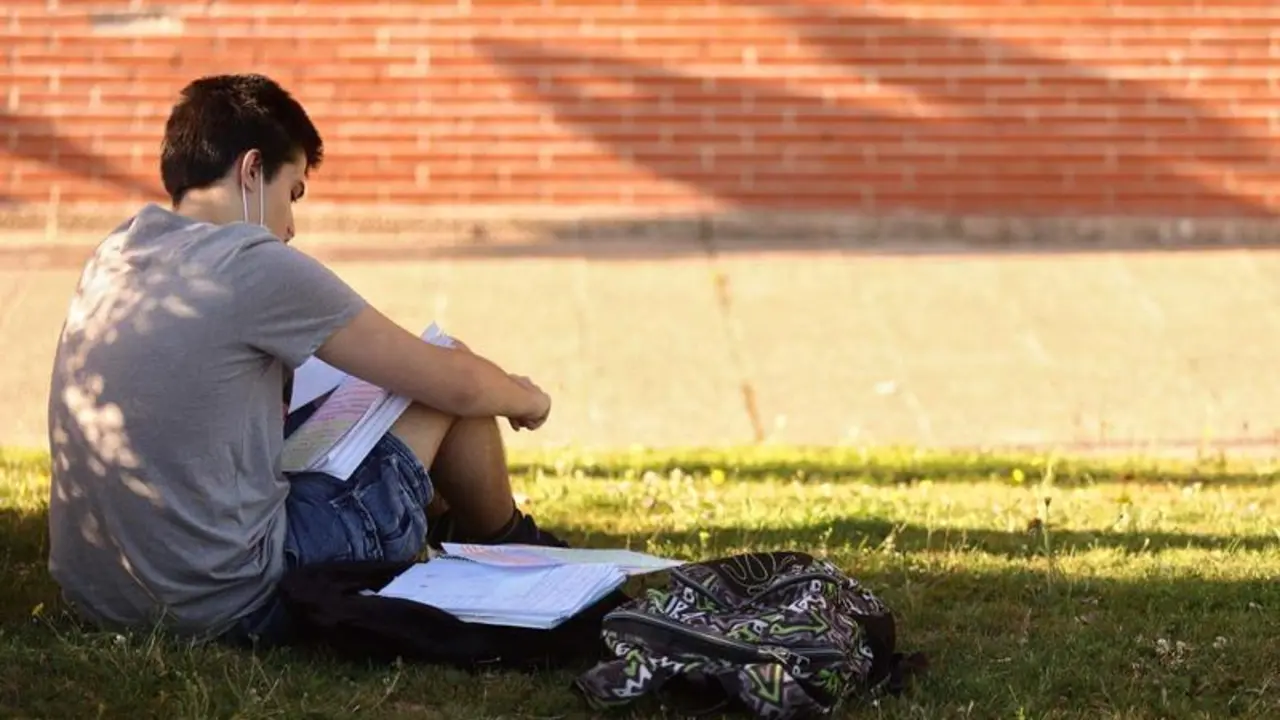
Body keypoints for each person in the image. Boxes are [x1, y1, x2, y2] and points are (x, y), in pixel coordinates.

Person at [45, 73, 567, 650]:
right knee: (451, 373)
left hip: (100, 597)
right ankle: (519, 551)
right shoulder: (252, 264)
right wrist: (529, 398)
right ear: (250, 171)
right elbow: (458, 386)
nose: (290, 228)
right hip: (230, 601)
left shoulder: (115, 253)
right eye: (291, 193)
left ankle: (475, 538)